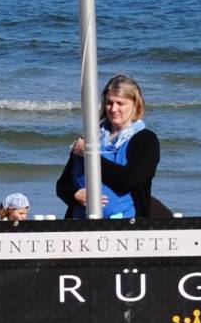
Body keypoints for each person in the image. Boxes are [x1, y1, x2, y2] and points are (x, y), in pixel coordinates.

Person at [55, 74, 160, 219]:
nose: (113, 109)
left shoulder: (146, 140)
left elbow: (128, 180)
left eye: (120, 103)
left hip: (128, 222)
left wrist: (89, 155)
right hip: (81, 219)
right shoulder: (90, 137)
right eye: (109, 103)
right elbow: (62, 185)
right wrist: (75, 195)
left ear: (135, 104)